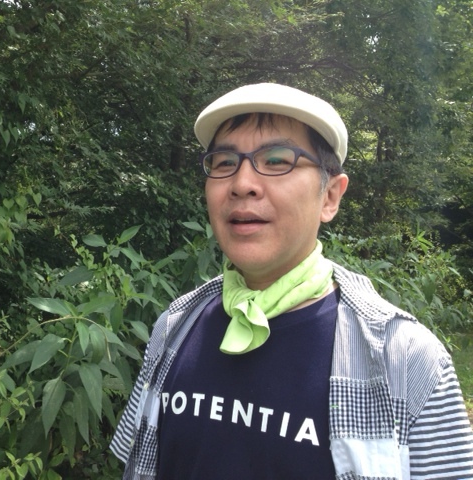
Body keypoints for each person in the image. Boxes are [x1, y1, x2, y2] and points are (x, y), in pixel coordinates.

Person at [110, 83, 473, 479]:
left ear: (330, 196)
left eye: (277, 160)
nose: (242, 183)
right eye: (224, 162)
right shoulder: (174, 327)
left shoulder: (407, 360)